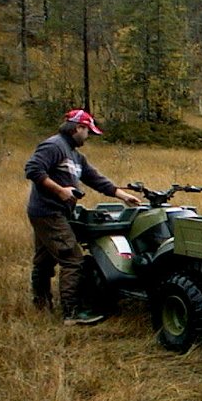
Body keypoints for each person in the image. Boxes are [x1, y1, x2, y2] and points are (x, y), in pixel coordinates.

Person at [24, 109, 141, 326]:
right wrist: (60, 191)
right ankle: (72, 312)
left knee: (44, 260)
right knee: (72, 259)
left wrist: (123, 196)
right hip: (48, 212)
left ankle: (41, 305)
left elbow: (95, 179)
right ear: (78, 128)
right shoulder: (54, 146)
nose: (88, 137)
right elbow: (33, 169)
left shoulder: (75, 155)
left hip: (54, 213)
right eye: (88, 131)